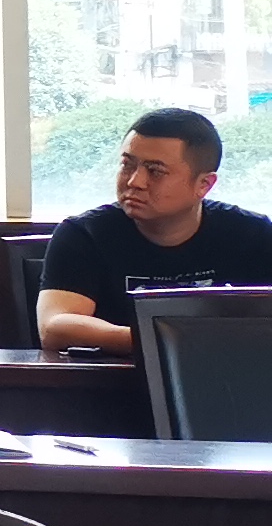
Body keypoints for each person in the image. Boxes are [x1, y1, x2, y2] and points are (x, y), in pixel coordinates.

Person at [36, 107, 272, 352]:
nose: (134, 181)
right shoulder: (84, 234)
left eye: (155, 171)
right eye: (127, 165)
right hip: (120, 373)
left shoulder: (253, 236)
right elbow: (55, 327)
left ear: (204, 184)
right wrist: (166, 341)